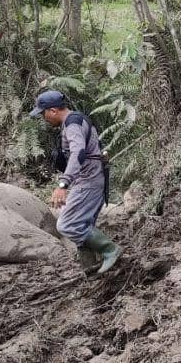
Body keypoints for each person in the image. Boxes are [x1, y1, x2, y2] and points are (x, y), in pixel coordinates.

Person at [29, 89, 122, 274]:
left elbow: (78, 152)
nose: (43, 118)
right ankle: (91, 269)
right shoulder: (76, 120)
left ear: (53, 110)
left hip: (88, 181)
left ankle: (110, 250)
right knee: (83, 225)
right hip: (91, 179)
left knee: (67, 225)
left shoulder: (72, 124)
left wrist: (63, 184)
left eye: (43, 114)